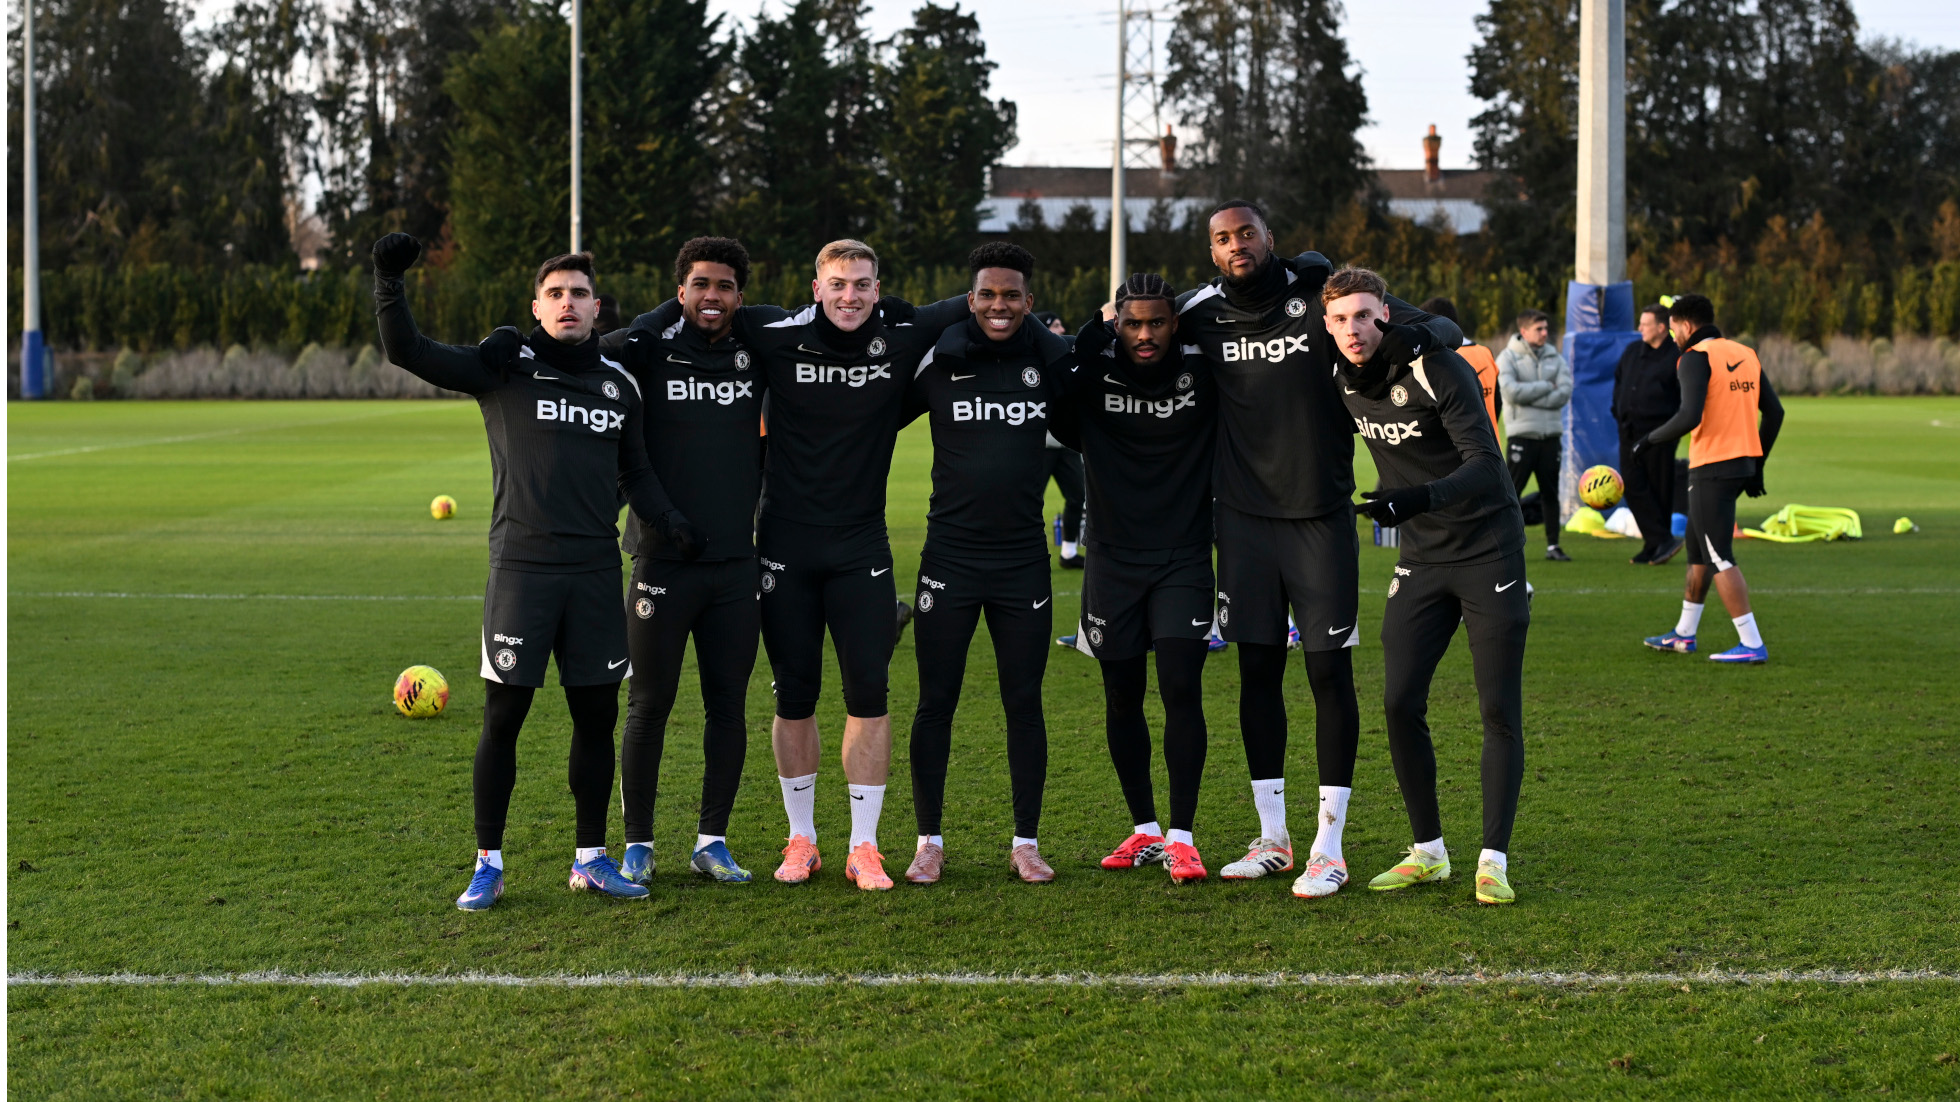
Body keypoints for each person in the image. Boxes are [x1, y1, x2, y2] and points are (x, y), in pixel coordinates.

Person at [370, 233, 704, 912]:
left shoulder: (618, 386)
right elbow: (409, 351)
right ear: (538, 306)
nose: (568, 304)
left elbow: (635, 469)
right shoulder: (504, 368)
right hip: (522, 573)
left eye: (579, 294)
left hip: (591, 574)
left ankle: (590, 859)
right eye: (555, 294)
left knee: (596, 718)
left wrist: (668, 519)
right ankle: (488, 862)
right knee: (504, 718)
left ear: (597, 307)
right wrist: (388, 280)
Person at [628, 241, 965, 891]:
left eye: (863, 285)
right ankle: (801, 839)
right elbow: (699, 302)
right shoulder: (772, 331)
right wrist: (644, 326)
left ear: (877, 289)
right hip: (783, 545)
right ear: (816, 288)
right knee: (796, 696)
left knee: (869, 692)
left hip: (862, 548)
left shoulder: (902, 330)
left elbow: (980, 299)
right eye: (838, 283)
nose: (850, 296)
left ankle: (864, 846)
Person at [1175, 200, 1462, 897]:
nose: (1236, 245)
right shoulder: (1200, 313)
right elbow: (1136, 324)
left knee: (1329, 676)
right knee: (1256, 675)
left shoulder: (1322, 298)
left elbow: (1444, 328)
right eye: (1223, 238)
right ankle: (1273, 838)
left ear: (1272, 237)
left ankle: (1327, 847)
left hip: (1320, 520)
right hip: (1242, 524)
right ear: (1211, 250)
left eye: (1247, 233)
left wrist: (1334, 280)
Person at [1323, 267, 1531, 906]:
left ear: (1384, 313)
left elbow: (1488, 468)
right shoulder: (1338, 379)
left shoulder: (1437, 367)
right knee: (1398, 701)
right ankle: (1429, 853)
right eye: (1338, 319)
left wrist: (1415, 498)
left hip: (1488, 551)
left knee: (1496, 708)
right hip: (1422, 560)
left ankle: (1491, 860)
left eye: (1362, 315)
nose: (1351, 330)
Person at [901, 243, 1075, 885]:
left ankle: (1025, 842)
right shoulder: (939, 359)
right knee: (935, 702)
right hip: (948, 557)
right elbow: (870, 419)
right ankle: (929, 842)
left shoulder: (1051, 362)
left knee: (1023, 702)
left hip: (1022, 563)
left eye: (1011, 296)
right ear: (969, 298)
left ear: (1029, 302)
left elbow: (1097, 428)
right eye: (986, 295)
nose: (998, 306)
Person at [600, 237, 765, 886]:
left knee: (728, 705)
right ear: (680, 291)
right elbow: (586, 346)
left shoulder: (758, 347)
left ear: (740, 295)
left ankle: (711, 840)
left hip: (734, 567)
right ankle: (638, 842)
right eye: (700, 284)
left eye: (724, 286)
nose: (712, 297)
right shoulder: (647, 348)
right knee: (649, 704)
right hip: (662, 562)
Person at [1052, 273, 1218, 884]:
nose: (1144, 335)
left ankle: (1182, 835)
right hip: (1111, 560)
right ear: (1116, 324)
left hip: (1184, 557)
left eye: (1157, 323)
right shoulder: (1093, 373)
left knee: (1180, 690)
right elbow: (1054, 392)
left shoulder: (1205, 373)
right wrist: (1093, 331)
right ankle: (1145, 828)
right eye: (1132, 324)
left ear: (1176, 324)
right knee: (1120, 696)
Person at [1635, 294, 1784, 663]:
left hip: (1712, 467)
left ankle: (1751, 644)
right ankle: (1684, 635)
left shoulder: (1694, 357)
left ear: (1686, 326)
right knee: (1698, 551)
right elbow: (1775, 413)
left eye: (1673, 331)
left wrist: (1649, 440)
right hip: (1738, 465)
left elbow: (1689, 416)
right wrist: (1757, 463)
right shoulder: (1745, 353)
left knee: (1719, 555)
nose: (1673, 339)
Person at [1497, 309, 1573, 561]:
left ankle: (1553, 546)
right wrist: (1544, 387)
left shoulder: (1555, 356)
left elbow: (1564, 392)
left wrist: (1532, 394)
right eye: (1539, 329)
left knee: (1550, 494)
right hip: (1522, 436)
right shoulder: (1508, 357)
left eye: (1545, 328)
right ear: (1524, 332)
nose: (1544, 333)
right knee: (1512, 494)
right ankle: (1505, 545)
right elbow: (1510, 392)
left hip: (1550, 436)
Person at [1613, 304, 1684, 564]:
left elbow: (1682, 397)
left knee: (1659, 489)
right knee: (1632, 486)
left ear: (1661, 328)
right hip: (1629, 431)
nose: (1639, 328)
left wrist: (1670, 429)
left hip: (1660, 434)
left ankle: (1654, 545)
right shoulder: (1633, 352)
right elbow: (1619, 383)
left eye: (1645, 324)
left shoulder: (1676, 356)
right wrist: (1618, 413)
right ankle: (1659, 541)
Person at [1419, 297, 1499, 433]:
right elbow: (1497, 402)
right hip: (1492, 445)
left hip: (1461, 450)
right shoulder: (1485, 352)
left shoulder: (1435, 360)